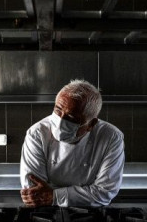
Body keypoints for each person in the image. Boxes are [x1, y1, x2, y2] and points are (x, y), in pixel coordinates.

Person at [20, 79, 125, 207]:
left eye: (71, 118)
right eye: (58, 110)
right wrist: (82, 195)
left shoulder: (111, 137)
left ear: (91, 124)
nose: (60, 122)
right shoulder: (37, 133)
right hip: (45, 213)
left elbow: (104, 192)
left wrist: (53, 196)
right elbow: (34, 191)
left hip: (90, 214)